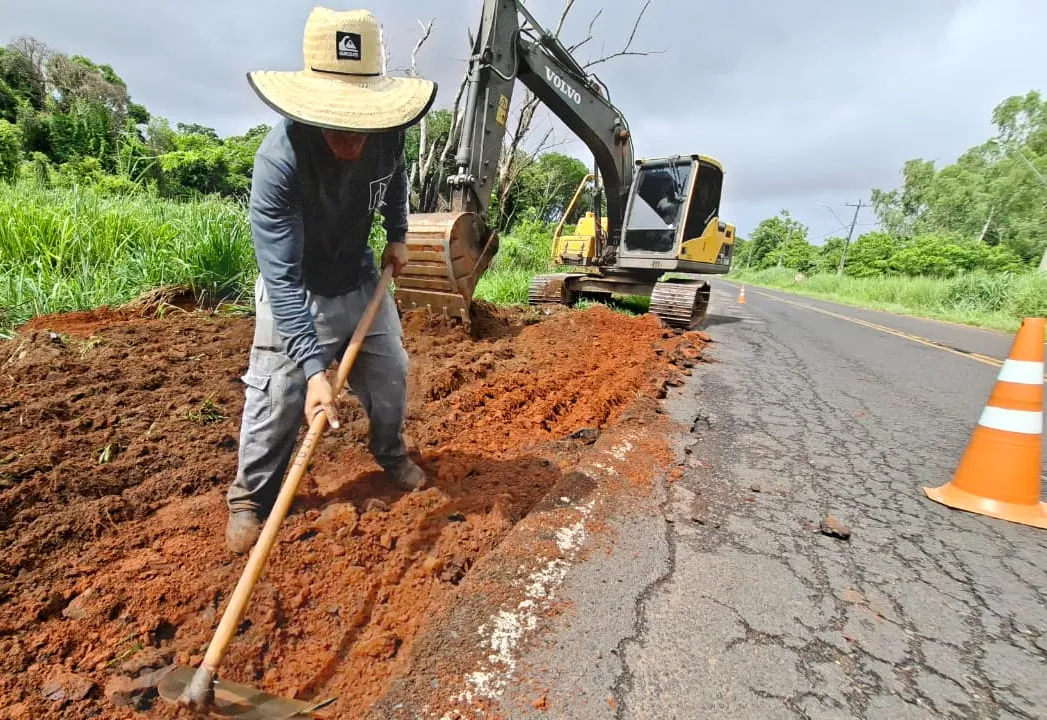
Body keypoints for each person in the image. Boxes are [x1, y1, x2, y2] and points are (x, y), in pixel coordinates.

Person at [225, 7, 439, 554]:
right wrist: (314, 369)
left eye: (362, 122)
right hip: (296, 287)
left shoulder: (388, 135)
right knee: (278, 393)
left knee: (391, 373)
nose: (354, 137)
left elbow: (394, 180)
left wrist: (397, 233)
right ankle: (250, 498)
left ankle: (390, 453)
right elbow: (281, 276)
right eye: (339, 123)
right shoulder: (279, 162)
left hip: (360, 276)